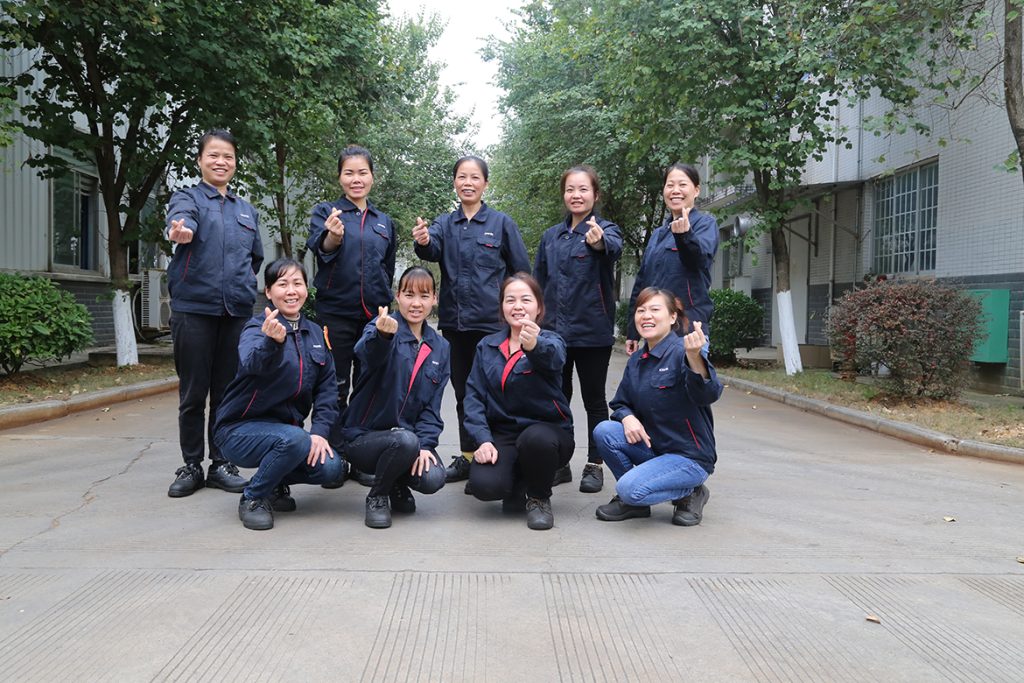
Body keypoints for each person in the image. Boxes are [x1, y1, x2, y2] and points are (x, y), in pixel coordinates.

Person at [412, 156, 531, 484]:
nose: (468, 183)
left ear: (485, 184)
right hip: (456, 326)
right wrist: (423, 240)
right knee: (465, 394)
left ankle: (505, 454)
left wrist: (520, 316)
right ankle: (468, 456)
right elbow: (430, 248)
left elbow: (521, 273)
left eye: (475, 177)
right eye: (462, 177)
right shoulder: (444, 224)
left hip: (493, 326)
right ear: (454, 182)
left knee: (500, 392)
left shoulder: (501, 223)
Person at [165, 129, 263, 498]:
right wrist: (181, 230)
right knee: (193, 393)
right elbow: (182, 220)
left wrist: (241, 284)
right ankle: (191, 464)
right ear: (200, 160)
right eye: (213, 155)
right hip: (194, 309)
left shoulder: (246, 210)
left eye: (228, 156)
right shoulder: (187, 198)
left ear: (235, 163)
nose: (221, 162)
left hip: (235, 311)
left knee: (227, 392)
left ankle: (221, 463)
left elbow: (255, 257)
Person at [213, 258, 344, 530]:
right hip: (238, 430)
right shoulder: (257, 328)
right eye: (283, 284)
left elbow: (327, 391)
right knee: (295, 440)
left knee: (332, 467)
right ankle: (253, 498)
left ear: (307, 289)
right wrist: (271, 343)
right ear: (269, 291)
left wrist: (320, 432)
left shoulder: (316, 334)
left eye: (298, 283)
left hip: (286, 434)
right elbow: (252, 363)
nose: (291, 291)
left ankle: (273, 483)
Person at [593, 287, 722, 526]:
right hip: (655, 449)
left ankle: (691, 491)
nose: (646, 316)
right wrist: (627, 417)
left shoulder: (684, 352)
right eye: (641, 310)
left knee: (628, 488)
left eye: (654, 309)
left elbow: (708, 394)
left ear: (672, 317)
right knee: (604, 431)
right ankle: (636, 504)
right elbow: (620, 402)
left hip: (689, 457)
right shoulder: (637, 360)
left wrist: (695, 357)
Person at [340, 266, 450, 529]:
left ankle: (396, 482)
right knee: (404, 440)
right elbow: (367, 354)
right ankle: (377, 496)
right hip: (364, 438)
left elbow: (432, 407)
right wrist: (383, 336)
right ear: (397, 296)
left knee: (433, 477)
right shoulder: (383, 325)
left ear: (434, 299)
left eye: (424, 296)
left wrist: (426, 445)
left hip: (408, 440)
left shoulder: (441, 347)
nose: (416, 303)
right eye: (409, 295)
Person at [534, 165, 622, 494]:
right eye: (570, 189)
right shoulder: (550, 237)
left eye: (583, 189)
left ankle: (595, 464)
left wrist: (598, 242)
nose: (576, 195)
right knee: (558, 399)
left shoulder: (605, 229)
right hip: (554, 334)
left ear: (595, 195)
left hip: (592, 332)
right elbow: (539, 282)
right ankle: (560, 463)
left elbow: (612, 246)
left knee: (594, 401)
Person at [463, 274, 574, 531]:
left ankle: (538, 497)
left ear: (539, 307)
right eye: (510, 300)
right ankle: (518, 483)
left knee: (536, 440)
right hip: (504, 434)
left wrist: (533, 345)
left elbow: (554, 359)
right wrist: (483, 440)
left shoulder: (551, 341)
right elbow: (474, 396)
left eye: (526, 299)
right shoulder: (487, 346)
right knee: (485, 486)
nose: (518, 306)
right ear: (502, 306)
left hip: (547, 434)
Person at [305, 145, 397, 412]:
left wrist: (384, 303)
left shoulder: (383, 221)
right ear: (339, 177)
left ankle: (361, 436)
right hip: (335, 313)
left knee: (370, 385)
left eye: (362, 172)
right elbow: (321, 248)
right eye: (349, 173)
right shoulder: (327, 212)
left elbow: (387, 267)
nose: (356, 179)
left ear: (372, 177)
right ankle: (333, 437)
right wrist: (333, 236)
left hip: (374, 316)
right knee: (334, 386)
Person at [626, 163, 719, 355]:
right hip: (656, 332)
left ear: (696, 190)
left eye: (682, 184)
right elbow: (642, 283)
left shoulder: (705, 225)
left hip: (688, 331)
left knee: (690, 375)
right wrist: (632, 331)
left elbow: (698, 261)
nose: (675, 190)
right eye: (670, 185)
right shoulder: (658, 234)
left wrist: (685, 236)